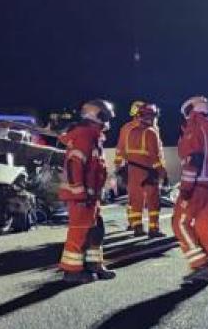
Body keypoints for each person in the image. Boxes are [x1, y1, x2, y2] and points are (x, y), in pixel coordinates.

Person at [58, 99, 116, 284]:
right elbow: (74, 165)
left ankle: (94, 264)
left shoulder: (93, 136)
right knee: (79, 231)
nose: (107, 120)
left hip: (91, 196)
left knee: (96, 230)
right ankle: (72, 271)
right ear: (95, 116)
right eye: (105, 116)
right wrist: (79, 193)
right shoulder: (84, 136)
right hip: (82, 197)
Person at [171, 95, 208, 285]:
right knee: (204, 225)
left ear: (192, 111)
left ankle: (199, 265)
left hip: (197, 186)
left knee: (179, 223)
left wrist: (186, 191)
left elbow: (193, 160)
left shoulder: (195, 128)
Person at [114, 101, 167, 238]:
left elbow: (121, 150)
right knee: (153, 201)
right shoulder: (151, 132)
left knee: (135, 200)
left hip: (132, 171)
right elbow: (155, 157)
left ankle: (136, 226)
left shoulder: (129, 130)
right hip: (149, 172)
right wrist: (162, 173)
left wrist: (119, 166)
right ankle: (153, 229)